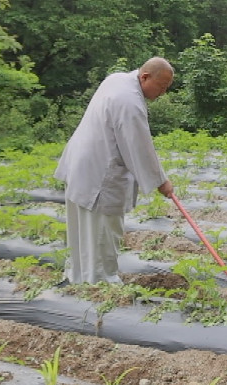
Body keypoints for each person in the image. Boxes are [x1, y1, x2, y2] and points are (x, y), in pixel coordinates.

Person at [55, 57, 175, 284]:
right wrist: (161, 181)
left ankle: (78, 279)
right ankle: (100, 285)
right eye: (161, 87)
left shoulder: (116, 79)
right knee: (102, 235)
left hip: (83, 165)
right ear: (145, 77)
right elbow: (139, 147)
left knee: (82, 233)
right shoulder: (129, 102)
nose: (162, 93)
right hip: (99, 175)